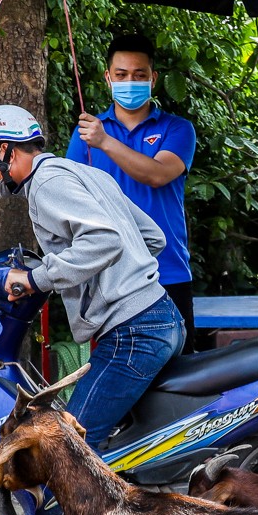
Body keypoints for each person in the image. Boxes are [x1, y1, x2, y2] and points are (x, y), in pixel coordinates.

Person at [0, 104, 182, 448]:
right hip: (162, 316)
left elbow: (105, 240)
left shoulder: (47, 184)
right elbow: (152, 238)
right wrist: (113, 276)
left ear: (4, 150)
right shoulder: (84, 173)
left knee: (69, 449)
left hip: (133, 331)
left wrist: (35, 279)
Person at [67, 32, 199, 348]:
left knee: (179, 379)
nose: (130, 81)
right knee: (121, 376)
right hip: (109, 278)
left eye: (139, 75)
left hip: (167, 272)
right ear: (108, 78)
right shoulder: (85, 133)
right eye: (122, 75)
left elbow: (158, 174)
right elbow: (70, 199)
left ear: (153, 79)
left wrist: (105, 142)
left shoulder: (177, 129)